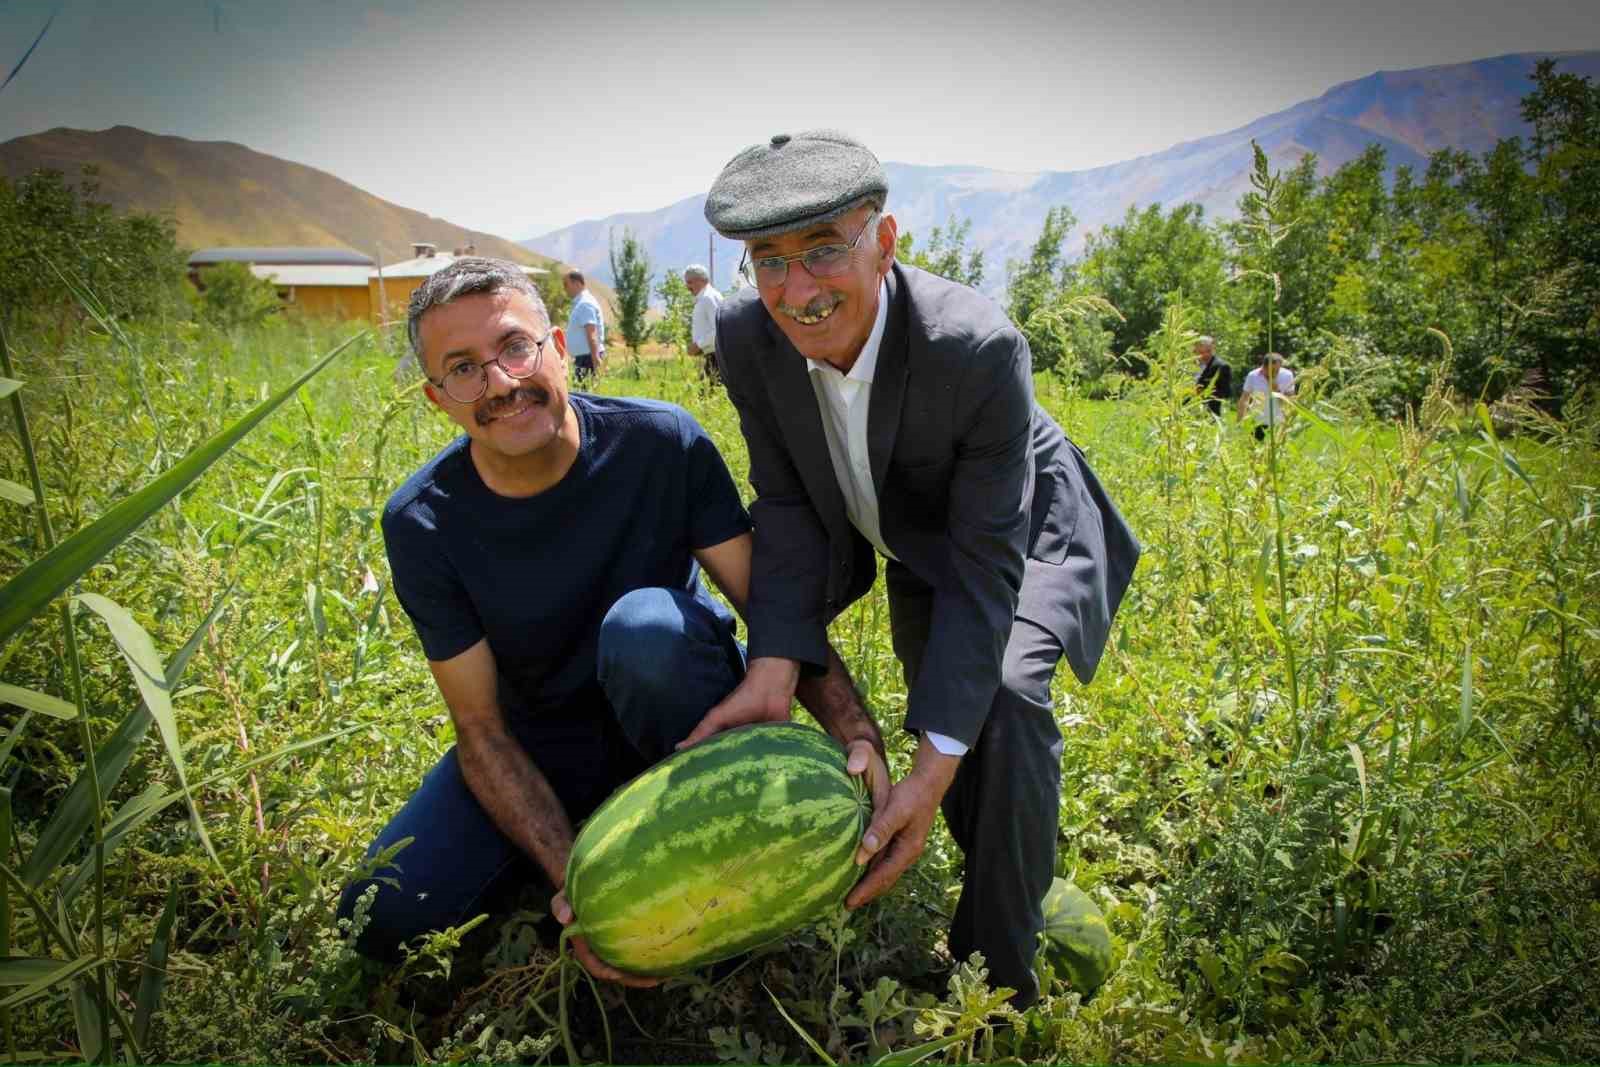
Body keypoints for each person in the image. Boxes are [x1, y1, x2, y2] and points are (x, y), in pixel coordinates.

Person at [337, 257, 887, 985]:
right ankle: (580, 846)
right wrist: (579, 890)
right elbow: (480, 729)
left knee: (645, 631)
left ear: (560, 347)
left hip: (678, 715)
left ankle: (729, 872)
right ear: (441, 400)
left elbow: (774, 606)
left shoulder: (662, 442)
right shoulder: (423, 522)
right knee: (376, 913)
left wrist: (856, 732)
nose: (500, 382)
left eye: (513, 347)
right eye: (464, 369)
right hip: (544, 744)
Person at [691, 130, 1141, 1007]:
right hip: (908, 522)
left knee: (1001, 694)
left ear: (885, 241)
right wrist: (775, 660)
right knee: (949, 704)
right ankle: (999, 864)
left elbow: (984, 570)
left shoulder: (976, 347)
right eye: (768, 261)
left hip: (1017, 523)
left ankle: (998, 984)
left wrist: (925, 782)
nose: (797, 289)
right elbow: (782, 502)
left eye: (825, 249)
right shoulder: (749, 336)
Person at [1237, 351, 1294, 440]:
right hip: (1257, 421)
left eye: (1278, 370)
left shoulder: (1287, 375)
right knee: (1254, 451)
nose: (1275, 373)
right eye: (1273, 370)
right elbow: (1244, 399)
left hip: (1278, 422)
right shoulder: (1253, 376)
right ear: (1264, 367)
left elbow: (1290, 402)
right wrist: (1240, 421)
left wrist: (1277, 391)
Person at [562, 269, 605, 383]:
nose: (564, 289)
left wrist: (595, 360)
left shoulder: (585, 304)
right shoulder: (582, 303)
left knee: (585, 394)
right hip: (585, 357)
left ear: (576, 283)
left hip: (588, 358)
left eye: (566, 284)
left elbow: (592, 334)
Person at [684, 263, 724, 382]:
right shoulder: (706, 298)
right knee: (707, 394)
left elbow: (719, 330)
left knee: (708, 395)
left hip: (716, 357)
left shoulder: (708, 298)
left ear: (700, 280)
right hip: (712, 356)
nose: (687, 286)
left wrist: (698, 345)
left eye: (689, 282)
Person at [1192, 335, 1232, 416]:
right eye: (1200, 352)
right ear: (1195, 351)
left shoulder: (1222, 366)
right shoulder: (1190, 365)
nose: (1205, 355)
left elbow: (1226, 393)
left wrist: (1202, 392)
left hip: (1210, 414)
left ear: (1213, 349)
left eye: (1208, 351)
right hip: (1189, 412)